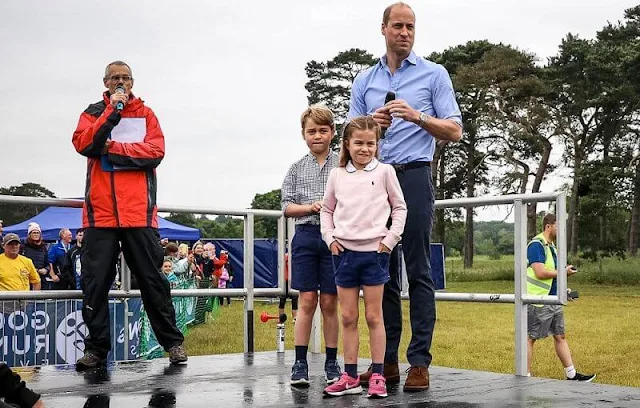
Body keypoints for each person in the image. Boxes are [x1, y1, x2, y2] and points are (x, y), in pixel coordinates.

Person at [348, 2, 463, 391]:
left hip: (414, 175)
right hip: (375, 179)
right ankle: (386, 362)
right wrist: (372, 127)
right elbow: (352, 140)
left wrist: (418, 117)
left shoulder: (434, 74)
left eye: (410, 26)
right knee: (381, 271)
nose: (405, 32)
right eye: (397, 25)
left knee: (418, 269)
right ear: (383, 29)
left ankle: (419, 362)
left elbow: (454, 131)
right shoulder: (365, 80)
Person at [71, 60, 187, 370]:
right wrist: (111, 113)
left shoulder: (147, 114)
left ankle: (173, 343)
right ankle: (96, 350)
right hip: (100, 216)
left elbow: (155, 152)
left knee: (153, 281)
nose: (120, 82)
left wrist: (112, 148)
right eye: (115, 78)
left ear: (133, 82)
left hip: (139, 214)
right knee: (95, 284)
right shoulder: (94, 112)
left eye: (125, 78)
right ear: (106, 82)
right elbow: (84, 143)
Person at [321, 117, 407, 398]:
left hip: (375, 254)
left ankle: (378, 374)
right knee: (347, 317)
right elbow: (327, 210)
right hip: (344, 255)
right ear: (347, 143)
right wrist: (330, 238)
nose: (364, 149)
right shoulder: (337, 175)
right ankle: (349, 375)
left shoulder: (385, 172)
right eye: (358, 143)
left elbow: (399, 207)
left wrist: (389, 240)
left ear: (377, 144)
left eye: (371, 143)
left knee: (374, 316)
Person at [281, 105, 341, 386]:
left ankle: (332, 362)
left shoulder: (343, 164)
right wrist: (309, 207)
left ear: (332, 132)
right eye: (311, 131)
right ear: (304, 135)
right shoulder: (295, 168)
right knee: (306, 301)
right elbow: (286, 206)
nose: (317, 135)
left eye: (322, 130)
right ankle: (300, 363)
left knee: (330, 302)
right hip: (305, 236)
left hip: (335, 238)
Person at [526, 213, 595, 382]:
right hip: (539, 300)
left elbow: (553, 274)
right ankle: (524, 376)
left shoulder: (552, 246)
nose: (561, 229)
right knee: (529, 338)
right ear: (548, 226)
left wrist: (563, 287)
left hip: (553, 298)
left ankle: (571, 375)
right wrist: (563, 272)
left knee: (560, 336)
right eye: (559, 225)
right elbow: (540, 272)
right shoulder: (536, 245)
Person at [21, 223, 56, 290]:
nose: (36, 234)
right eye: (34, 233)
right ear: (29, 234)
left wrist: (46, 269)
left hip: (42, 280)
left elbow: (47, 263)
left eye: (38, 233)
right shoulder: (23, 247)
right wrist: (37, 270)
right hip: (27, 280)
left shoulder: (43, 247)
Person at [278, 253, 298, 321]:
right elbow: (289, 266)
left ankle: (295, 318)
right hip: (286, 280)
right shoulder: (287, 256)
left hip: (293, 280)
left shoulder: (294, 255)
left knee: (295, 299)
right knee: (282, 299)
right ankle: (281, 317)